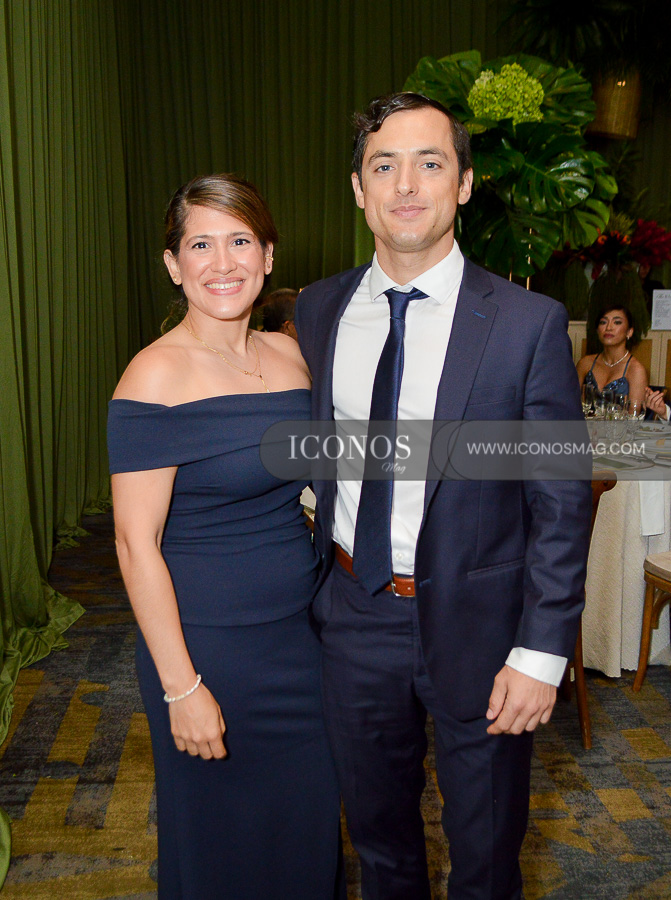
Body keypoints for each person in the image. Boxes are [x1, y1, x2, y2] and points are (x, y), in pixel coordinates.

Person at [294, 92, 592, 900]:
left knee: (486, 858)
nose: (405, 185)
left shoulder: (527, 323)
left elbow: (560, 502)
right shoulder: (319, 310)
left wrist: (540, 652)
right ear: (357, 188)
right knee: (380, 848)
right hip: (354, 617)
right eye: (382, 165)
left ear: (462, 183)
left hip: (485, 631)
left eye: (429, 163)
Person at [108, 174, 344, 900]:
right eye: (200, 245)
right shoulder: (154, 375)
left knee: (306, 833)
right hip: (208, 650)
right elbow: (134, 544)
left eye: (239, 241)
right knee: (222, 846)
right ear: (173, 264)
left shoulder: (291, 357)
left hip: (300, 640)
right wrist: (181, 687)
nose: (222, 262)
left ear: (267, 255)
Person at [576, 305, 647, 407]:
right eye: (603, 322)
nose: (608, 328)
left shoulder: (636, 369)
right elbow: (569, 402)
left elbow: (634, 413)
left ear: (629, 332)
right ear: (597, 330)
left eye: (617, 322)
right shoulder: (585, 363)